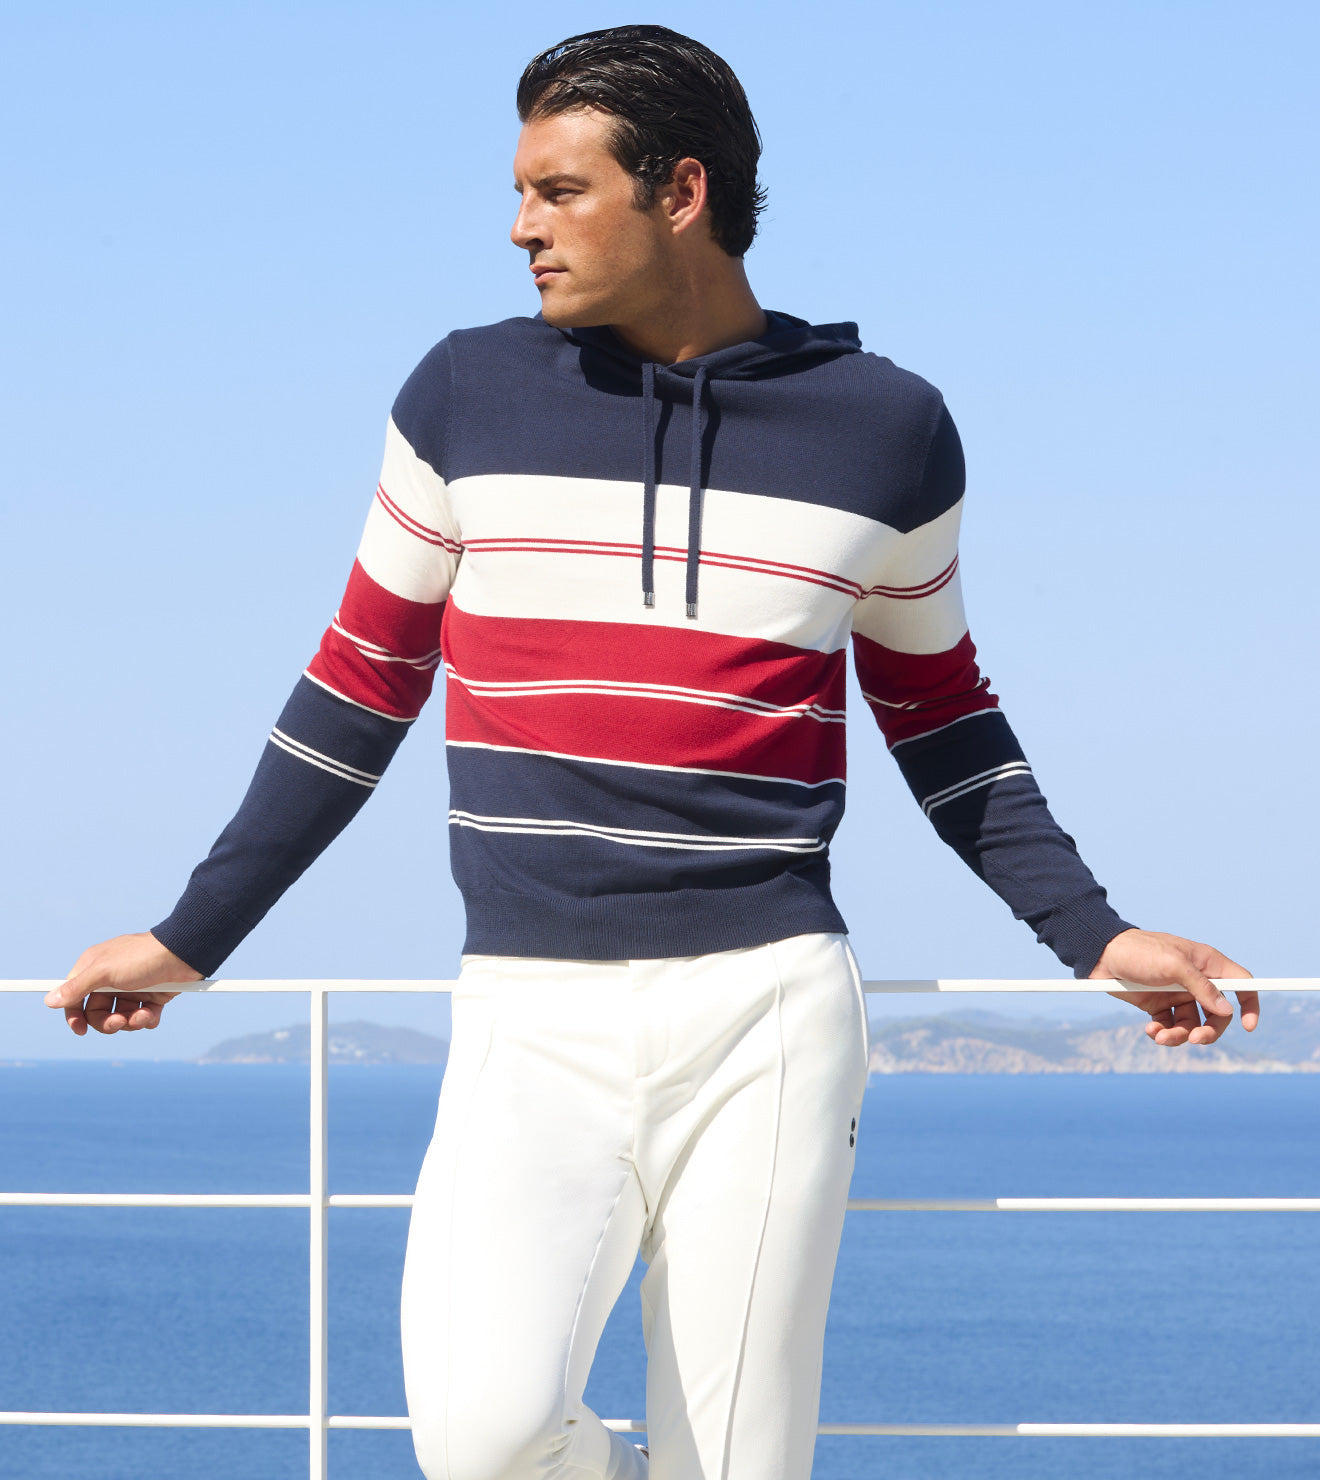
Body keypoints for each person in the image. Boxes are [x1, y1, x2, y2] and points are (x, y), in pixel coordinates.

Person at [47, 24, 1258, 1480]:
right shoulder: (463, 397)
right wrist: (192, 938)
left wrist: (1094, 935)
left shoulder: (889, 430)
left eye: (559, 192)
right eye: (520, 193)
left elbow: (941, 716)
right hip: (527, 1008)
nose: (522, 227)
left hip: (768, 1012)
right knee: (485, 1436)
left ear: (680, 192)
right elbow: (359, 688)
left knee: (738, 1459)